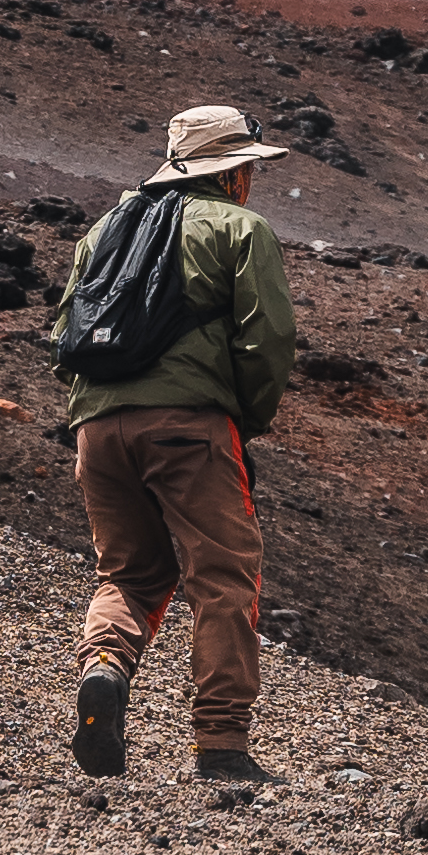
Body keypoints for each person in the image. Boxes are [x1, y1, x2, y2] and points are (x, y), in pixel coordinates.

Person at [58, 96, 299, 794]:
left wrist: (96, 412)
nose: (252, 181)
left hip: (97, 429)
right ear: (228, 173)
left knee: (129, 575)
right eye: (248, 168)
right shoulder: (241, 229)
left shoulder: (104, 230)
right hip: (190, 427)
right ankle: (221, 744)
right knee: (224, 577)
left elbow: (62, 337)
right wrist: (240, 418)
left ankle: (103, 668)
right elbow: (268, 339)